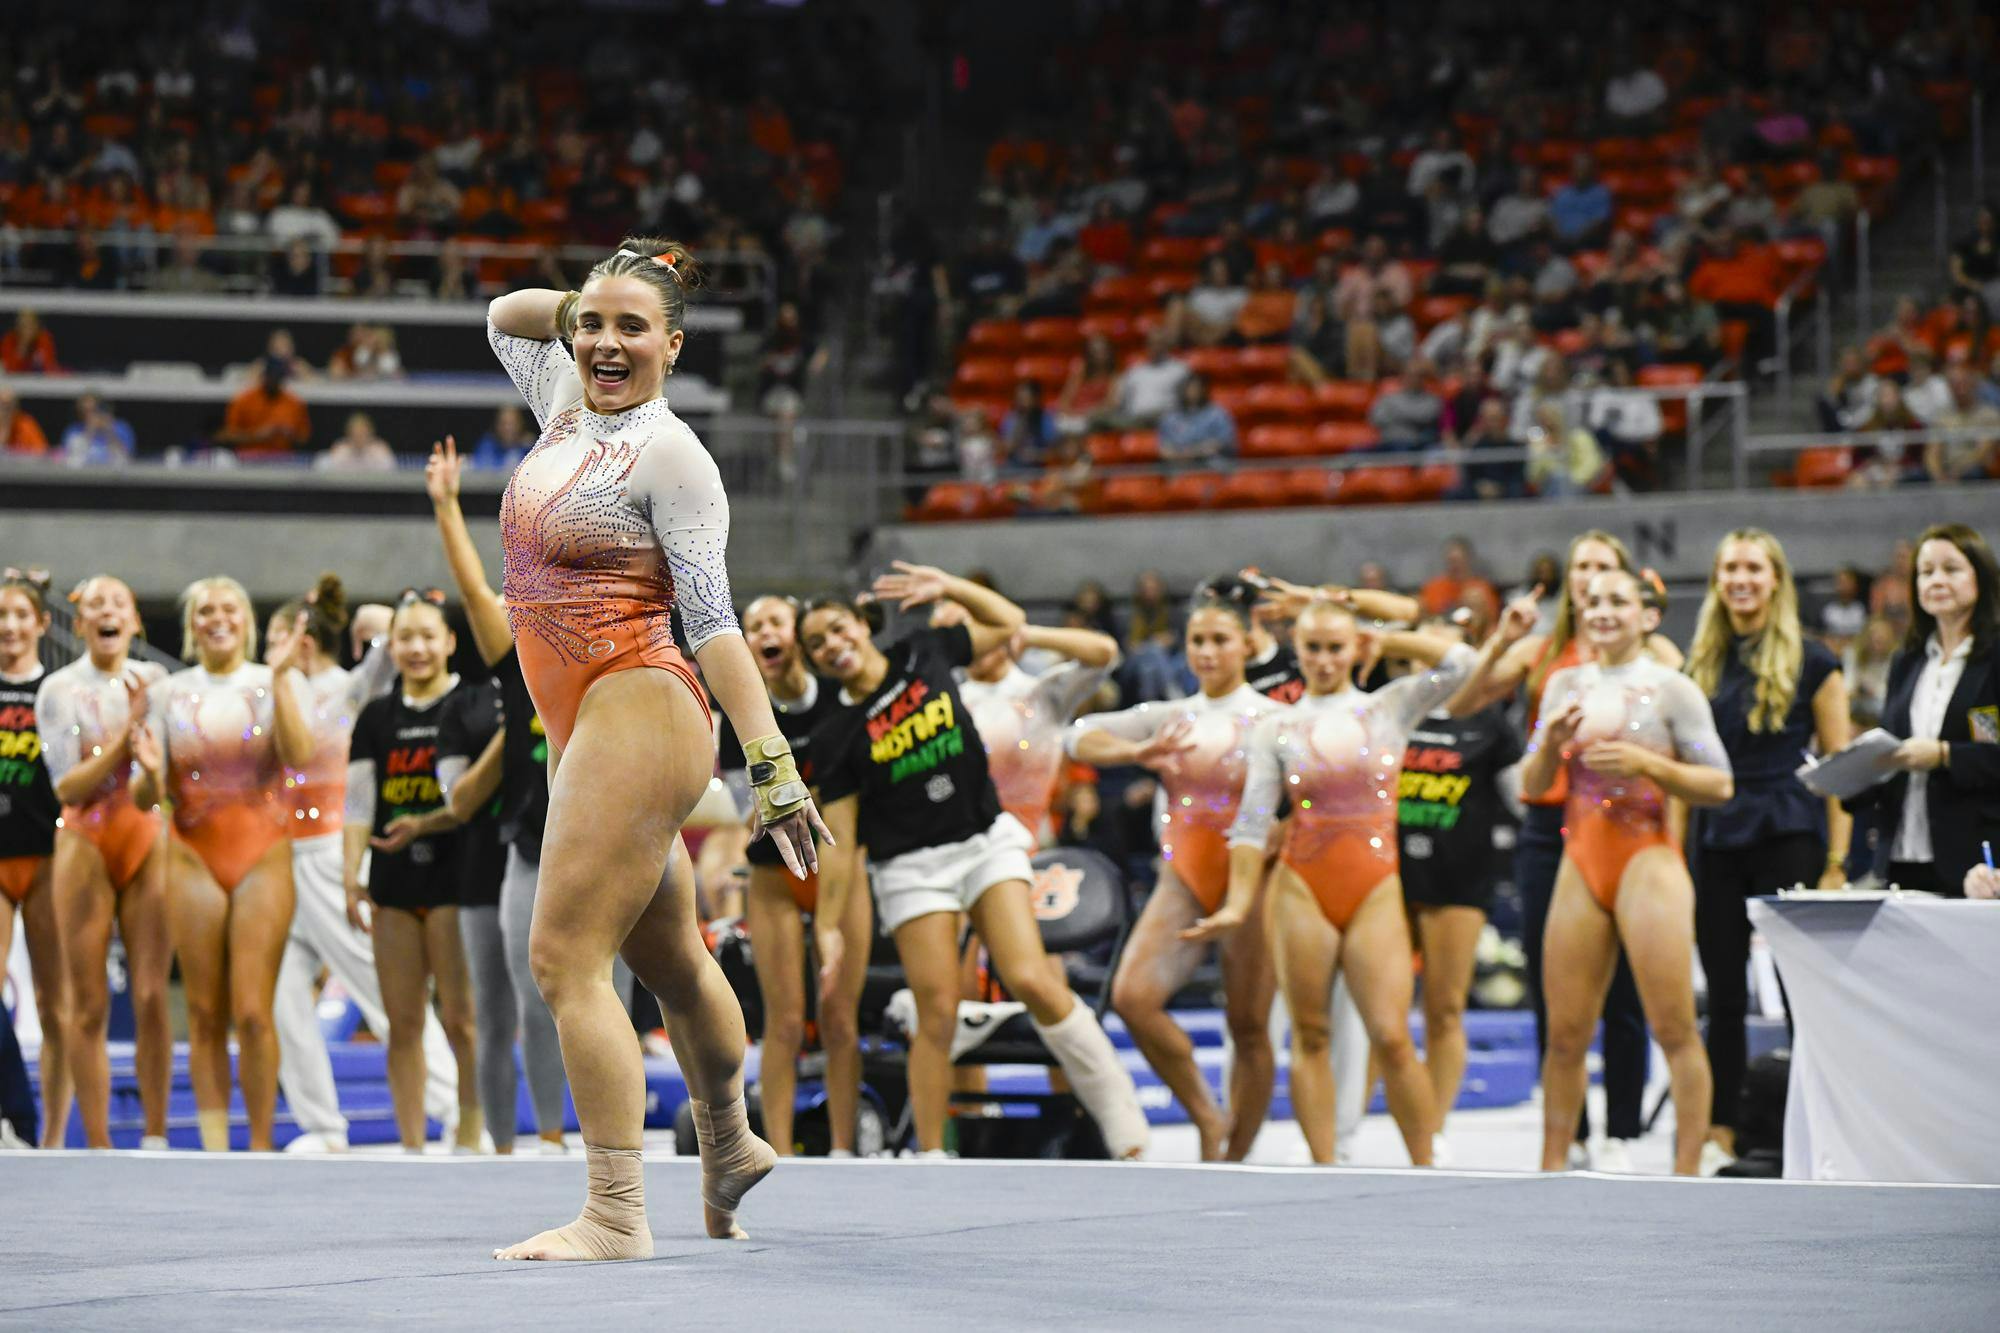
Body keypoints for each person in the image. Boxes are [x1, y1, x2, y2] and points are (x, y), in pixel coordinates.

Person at [485, 238, 823, 1260]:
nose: (604, 340)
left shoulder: (673, 456)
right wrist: (599, 291)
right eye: (591, 322)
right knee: (668, 953)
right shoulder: (559, 400)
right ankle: (727, 1142)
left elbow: (714, 621)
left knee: (561, 960)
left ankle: (616, 1212)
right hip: (581, 723)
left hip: (639, 696)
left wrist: (770, 766)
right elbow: (504, 310)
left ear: (673, 347)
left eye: (634, 327)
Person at [800, 571, 1148, 1162]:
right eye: (818, 643)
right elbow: (842, 841)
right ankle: (933, 1156)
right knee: (936, 1010)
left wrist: (949, 586)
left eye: (838, 628)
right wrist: (830, 923)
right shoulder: (834, 733)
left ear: (862, 625)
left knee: (1032, 977)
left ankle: (1125, 1130)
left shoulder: (921, 652)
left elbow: (1008, 623)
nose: (832, 644)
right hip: (912, 868)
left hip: (985, 840)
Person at [1203, 589, 1534, 1166]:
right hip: (1303, 884)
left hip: (1374, 885)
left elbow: (1457, 664)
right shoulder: (1276, 727)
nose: (1325, 660)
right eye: (1313, 648)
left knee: (1392, 1034)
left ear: (1357, 648)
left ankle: (1425, 1164)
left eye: (1337, 648)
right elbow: (1253, 821)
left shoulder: (1389, 707)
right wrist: (1237, 903)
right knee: (1310, 1036)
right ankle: (1324, 1164)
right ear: (1298, 650)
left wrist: (1391, 638)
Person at [1449, 530, 1679, 1170]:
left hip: (1626, 829)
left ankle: (1625, 1131)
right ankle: (1570, 1132)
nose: (1587, 577)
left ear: (1630, 584)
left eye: (1603, 567)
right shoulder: (1542, 648)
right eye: (1580, 566)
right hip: (1549, 828)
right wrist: (1500, 634)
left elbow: (1685, 735)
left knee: (1627, 990)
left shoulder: (1653, 650)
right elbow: (1462, 702)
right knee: (1558, 992)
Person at [1522, 568, 1730, 1176]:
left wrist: (1648, 763)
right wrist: (1549, 744)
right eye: (1592, 602)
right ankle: (1551, 1163)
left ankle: (1687, 1170)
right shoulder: (1563, 686)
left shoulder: (1671, 688)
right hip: (1581, 855)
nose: (1603, 611)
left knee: (1673, 1027)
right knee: (1564, 1033)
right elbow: (1532, 788)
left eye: (1618, 601)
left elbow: (1720, 782)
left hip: (1648, 854)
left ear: (1648, 616)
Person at [1066, 583, 1282, 1160]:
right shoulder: (1175, 716)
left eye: (1219, 640)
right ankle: (1208, 1117)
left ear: (1247, 644)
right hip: (1185, 870)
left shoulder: (1274, 717)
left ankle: (1234, 1157)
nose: (1207, 652)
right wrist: (1132, 755)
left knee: (1249, 1024)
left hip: (1255, 877)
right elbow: (1077, 735)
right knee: (1133, 996)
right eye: (1197, 641)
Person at [263, 579, 460, 1155]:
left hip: (330, 849)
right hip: (284, 855)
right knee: (282, 994)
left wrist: (345, 614)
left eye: (282, 635)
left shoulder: (350, 685)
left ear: (303, 638)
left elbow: (386, 628)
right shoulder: (277, 687)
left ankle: (449, 1107)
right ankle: (322, 1125)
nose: (272, 648)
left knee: (381, 989)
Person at [424, 435, 579, 1157]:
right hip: (529, 845)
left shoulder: (624, 642)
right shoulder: (523, 656)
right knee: (527, 1000)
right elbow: (476, 593)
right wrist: (449, 508)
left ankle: (585, 1133)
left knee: (600, 994)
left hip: (600, 847)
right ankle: (527, 1143)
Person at [1683, 530, 1851, 1172]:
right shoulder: (1700, 661)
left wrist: (1836, 864)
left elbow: (1840, 773)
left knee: (1800, 988)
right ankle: (1724, 1127)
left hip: (1788, 828)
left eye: (1753, 567)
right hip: (1717, 831)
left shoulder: (1814, 660)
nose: (1740, 578)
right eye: (1729, 567)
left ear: (1776, 578)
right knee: (1722, 991)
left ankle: (1818, 1121)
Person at [132, 577, 313, 1152]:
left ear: (246, 621)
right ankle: (215, 1149)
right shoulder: (168, 692)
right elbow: (145, 797)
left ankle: (259, 1146)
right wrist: (144, 770)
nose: (217, 618)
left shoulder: (273, 680)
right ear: (191, 626)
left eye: (229, 608)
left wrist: (283, 677)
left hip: (263, 850)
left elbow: (301, 755)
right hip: (190, 854)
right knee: (206, 1012)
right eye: (205, 610)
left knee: (254, 1011)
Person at [714, 594, 865, 1159]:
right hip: (774, 873)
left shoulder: (837, 699)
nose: (765, 632)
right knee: (784, 1020)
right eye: (753, 627)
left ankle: (845, 1150)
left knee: (840, 1016)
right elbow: (745, 811)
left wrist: (787, 794)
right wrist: (809, 794)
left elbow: (856, 795)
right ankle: (777, 1149)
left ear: (796, 634)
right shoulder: (738, 714)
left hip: (838, 869)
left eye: (775, 621)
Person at [344, 591, 483, 1153]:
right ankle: (410, 1145)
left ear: (449, 642)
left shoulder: (473, 704)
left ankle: (471, 1132)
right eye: (405, 638)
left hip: (456, 876)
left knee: (459, 1018)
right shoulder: (377, 716)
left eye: (428, 636)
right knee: (401, 1021)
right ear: (391, 646)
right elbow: (358, 803)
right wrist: (350, 873)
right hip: (394, 881)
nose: (417, 648)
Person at [34, 576, 171, 1150]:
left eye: (118, 603)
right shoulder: (59, 690)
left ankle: (157, 1137)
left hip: (144, 834)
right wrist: (123, 737)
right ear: (79, 623)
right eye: (95, 605)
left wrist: (152, 767)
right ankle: (98, 1144)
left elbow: (152, 789)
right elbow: (68, 786)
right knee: (87, 1004)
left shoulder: (161, 684)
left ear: (135, 621)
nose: (107, 612)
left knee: (150, 995)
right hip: (83, 842)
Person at [1393, 615, 1524, 1155]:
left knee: (1444, 1007)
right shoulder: (1391, 711)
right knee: (1385, 1014)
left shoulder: (1491, 724)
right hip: (1390, 875)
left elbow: (1522, 800)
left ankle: (1434, 1127)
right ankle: (1402, 1120)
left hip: (1462, 876)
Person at [1842, 524, 2000, 896]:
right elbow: (1893, 746)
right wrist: (1849, 774)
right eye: (1926, 572)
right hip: (1902, 854)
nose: (1937, 580)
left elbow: (1992, 753)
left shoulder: (1993, 659)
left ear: (1981, 578)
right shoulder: (1908, 662)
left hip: (1976, 863)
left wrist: (1943, 754)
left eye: (1951, 569)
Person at [0, 574, 70, 1146]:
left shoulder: (58, 691)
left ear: (42, 624)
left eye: (21, 615)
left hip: (48, 857)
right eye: (1, 615)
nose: (10, 626)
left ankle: (51, 1135)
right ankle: (13, 1116)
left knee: (54, 1002)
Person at [217, 359, 311, 458]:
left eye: (277, 378)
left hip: (283, 458)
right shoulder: (243, 400)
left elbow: (304, 437)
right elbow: (227, 435)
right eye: (271, 377)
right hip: (248, 456)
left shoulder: (294, 402)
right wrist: (256, 435)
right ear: (264, 376)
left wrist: (290, 434)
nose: (274, 381)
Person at [58, 396, 135, 466]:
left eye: (93, 410)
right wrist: (89, 431)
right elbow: (72, 459)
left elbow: (126, 459)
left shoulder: (121, 428)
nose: (88, 415)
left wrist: (109, 431)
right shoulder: (73, 430)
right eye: (84, 411)